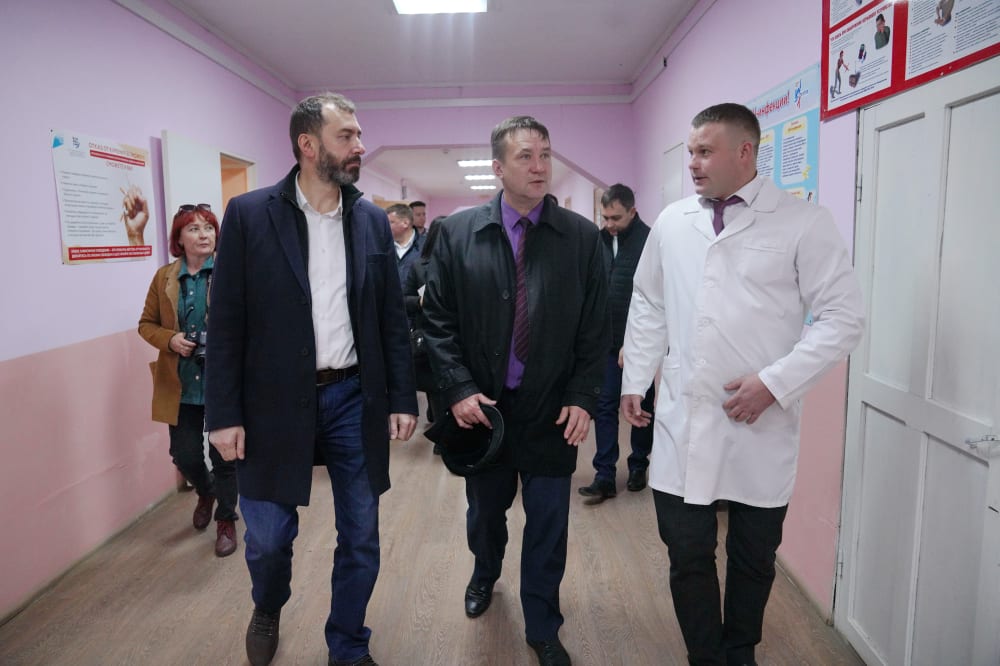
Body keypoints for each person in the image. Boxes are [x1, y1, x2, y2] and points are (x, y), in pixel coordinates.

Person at [621, 103, 864, 666]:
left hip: (761, 422)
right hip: (684, 418)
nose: (693, 163)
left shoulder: (802, 222)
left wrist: (774, 384)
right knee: (687, 552)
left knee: (754, 557)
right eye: (690, 152)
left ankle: (740, 651)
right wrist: (636, 377)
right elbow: (649, 301)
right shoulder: (673, 222)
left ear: (745, 152)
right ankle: (706, 656)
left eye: (705, 151)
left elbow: (843, 318)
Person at [205, 92, 418, 666]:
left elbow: (390, 319)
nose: (359, 145)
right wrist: (222, 414)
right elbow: (225, 323)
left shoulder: (371, 220)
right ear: (307, 144)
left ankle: (347, 643)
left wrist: (402, 396)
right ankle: (268, 604)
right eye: (346, 135)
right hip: (271, 403)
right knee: (269, 539)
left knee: (362, 534)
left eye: (358, 134)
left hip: (353, 396)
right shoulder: (250, 214)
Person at [423, 115, 608, 666]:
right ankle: (484, 573)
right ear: (498, 168)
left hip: (552, 410)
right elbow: (438, 321)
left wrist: (582, 396)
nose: (539, 166)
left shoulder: (581, 238)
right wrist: (457, 389)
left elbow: (595, 328)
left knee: (549, 524)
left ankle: (543, 623)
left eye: (545, 155)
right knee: (485, 514)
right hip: (484, 411)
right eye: (526, 156)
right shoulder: (459, 233)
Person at [138, 203, 238, 558]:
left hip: (223, 380)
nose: (204, 234)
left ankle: (226, 520)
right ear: (179, 238)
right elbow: (146, 324)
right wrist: (171, 340)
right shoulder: (164, 277)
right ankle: (206, 491)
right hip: (181, 383)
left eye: (209, 227)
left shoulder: (230, 270)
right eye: (194, 228)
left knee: (224, 456)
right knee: (184, 455)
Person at [578, 184, 655, 503]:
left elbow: (654, 296)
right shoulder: (596, 241)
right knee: (605, 406)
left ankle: (638, 465)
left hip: (640, 342)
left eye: (616, 218)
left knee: (641, 406)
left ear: (633, 212)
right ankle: (605, 475)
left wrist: (634, 341)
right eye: (605, 217)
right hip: (605, 343)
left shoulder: (650, 240)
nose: (609, 224)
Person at [403, 216, 446, 429]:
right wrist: (420, 301)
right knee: (436, 388)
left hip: (461, 337)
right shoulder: (419, 266)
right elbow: (402, 301)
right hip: (429, 337)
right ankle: (439, 423)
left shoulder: (466, 261)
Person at [387, 202, 423, 289]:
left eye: (391, 222)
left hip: (416, 297)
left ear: (405, 223)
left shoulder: (425, 246)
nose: (385, 226)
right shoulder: (382, 246)